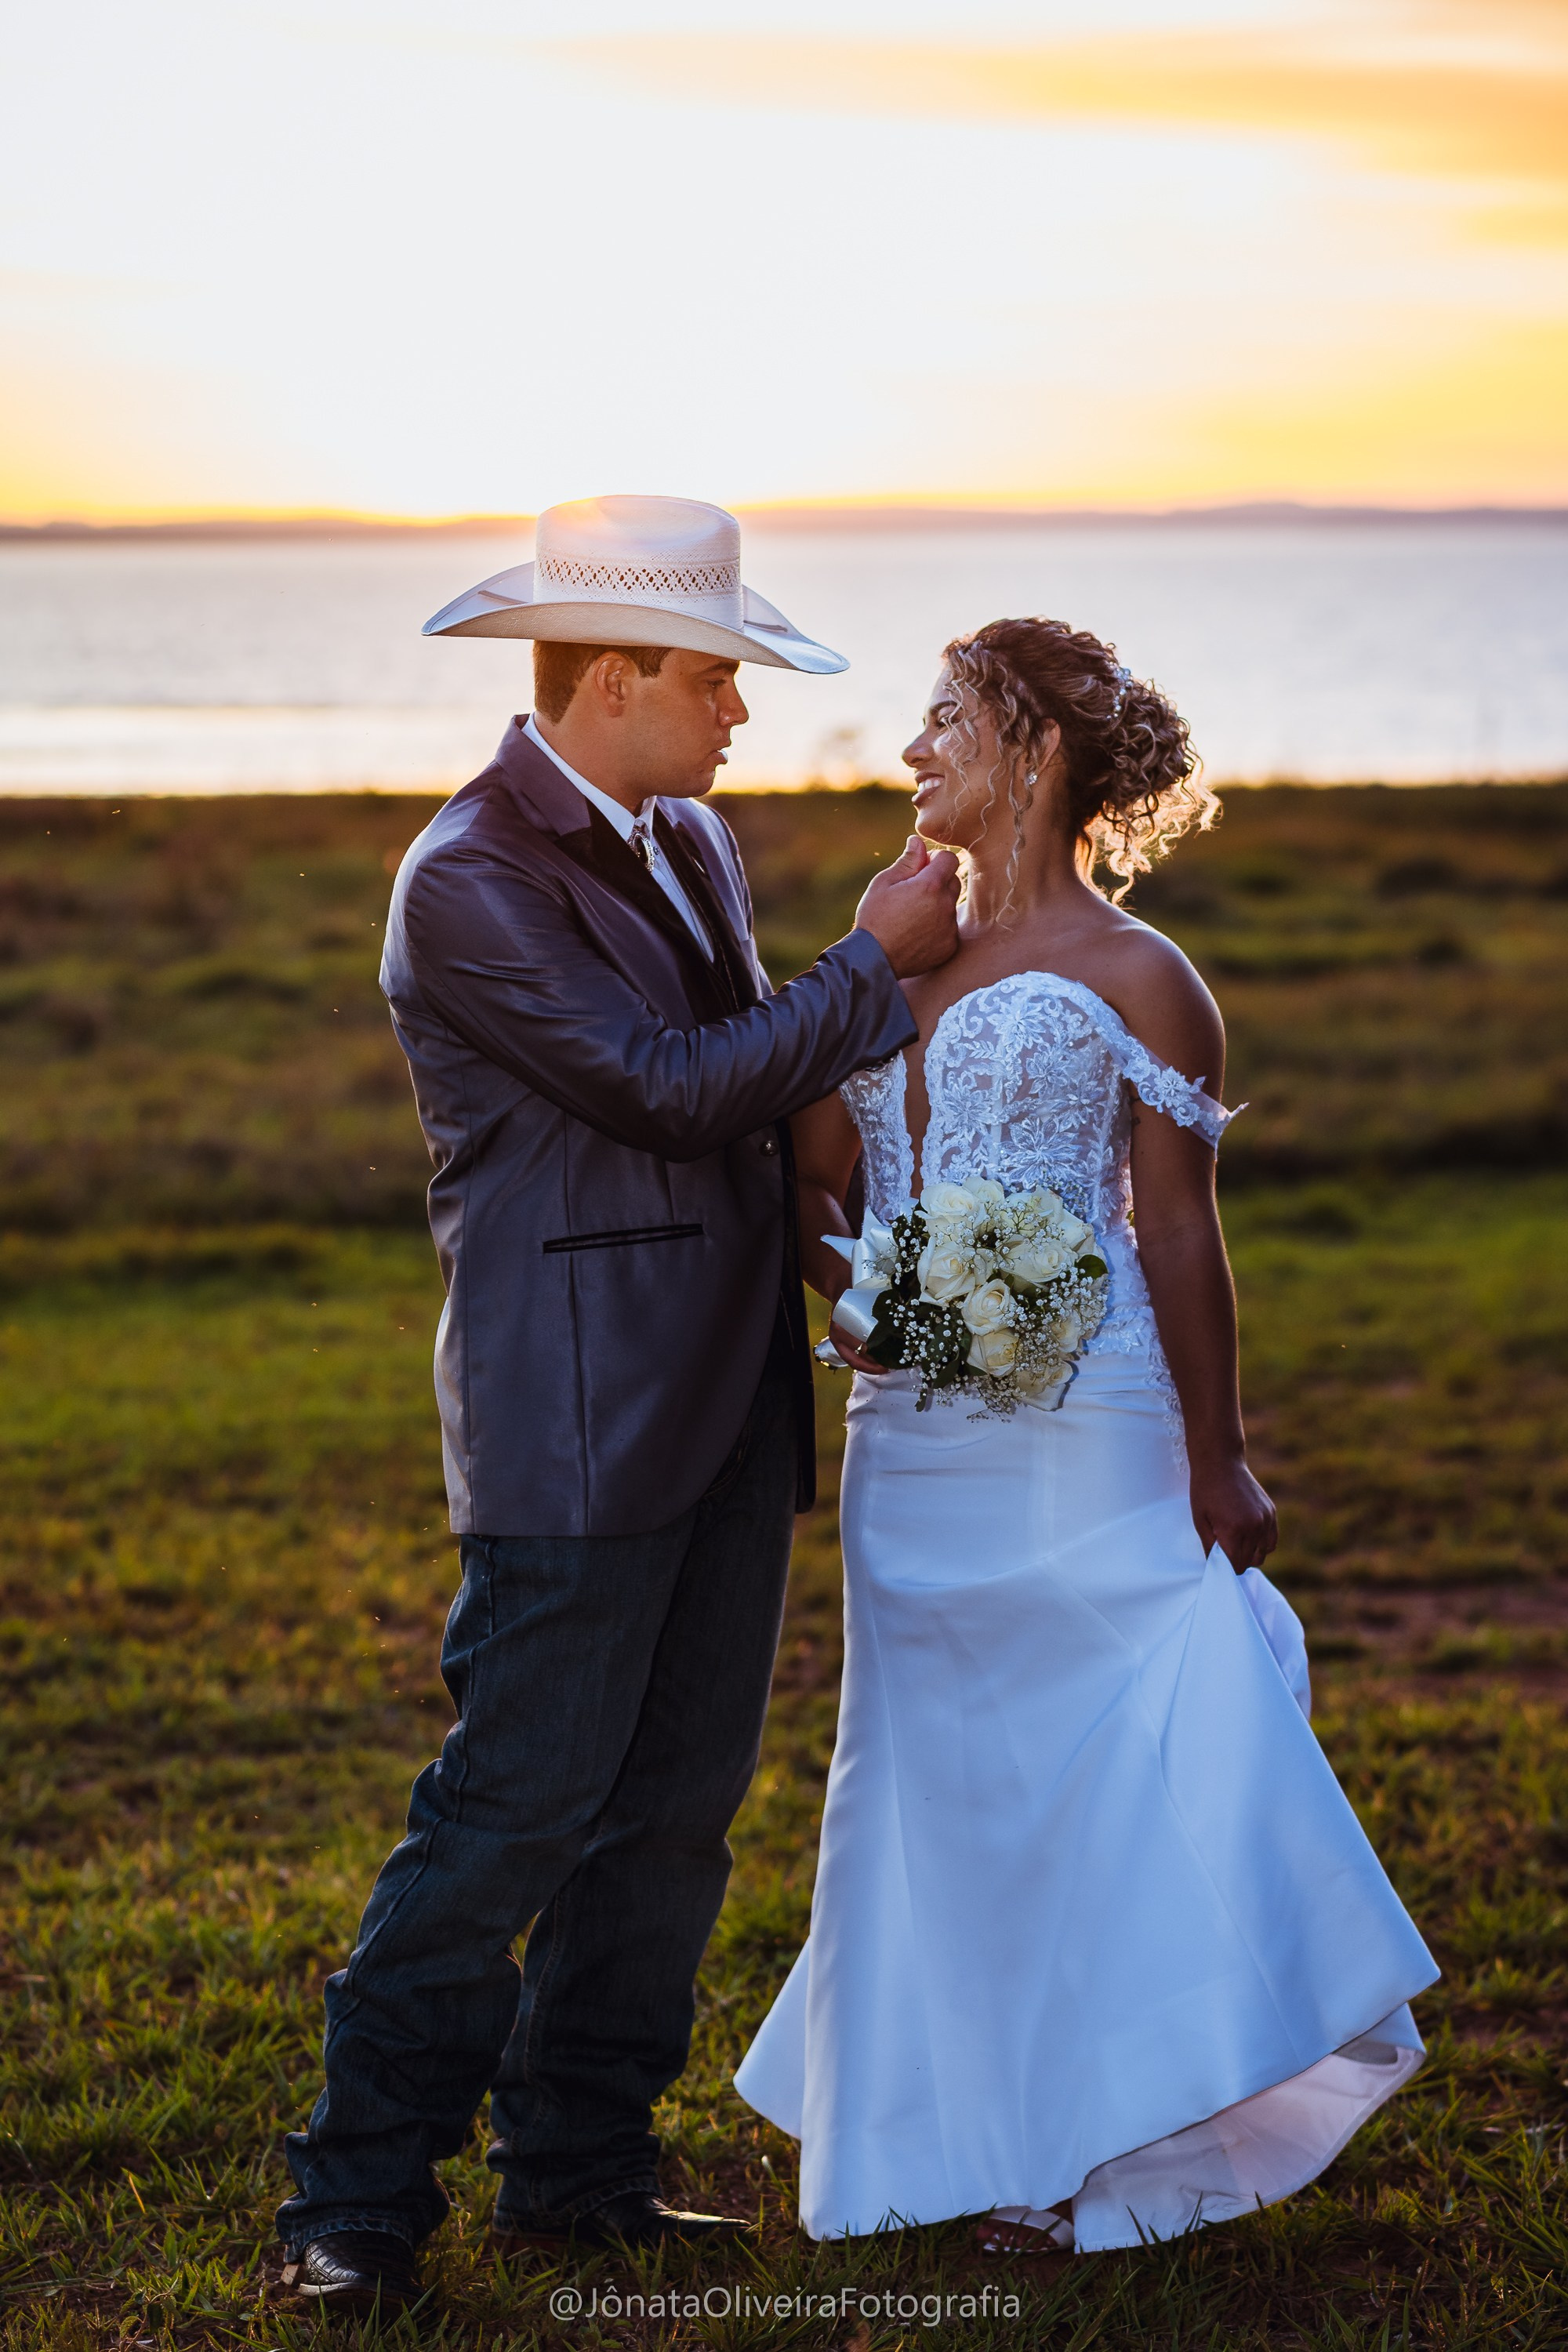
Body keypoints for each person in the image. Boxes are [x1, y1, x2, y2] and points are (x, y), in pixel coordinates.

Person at [276, 495, 960, 2314]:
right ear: (623, 672)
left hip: (734, 1395)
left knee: (672, 1816)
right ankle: (350, 2205)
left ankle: (577, 2172)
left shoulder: (692, 841)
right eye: (722, 677)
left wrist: (857, 1272)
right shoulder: (470, 877)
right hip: (575, 1418)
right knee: (509, 1813)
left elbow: (745, 1122)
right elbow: (666, 1088)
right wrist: (869, 965)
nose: (743, 713)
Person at [735, 616, 1437, 2252]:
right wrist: (854, 971)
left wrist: (1220, 1452)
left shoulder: (1143, 977)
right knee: (937, 1781)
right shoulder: (897, 955)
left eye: (943, 723)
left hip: (1096, 1419)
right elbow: (813, 1182)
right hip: (912, 1447)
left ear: (1033, 752)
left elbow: (1180, 1234)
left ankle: (1098, 2138)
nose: (910, 753)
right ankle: (956, 2128)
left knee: (1097, 1755)